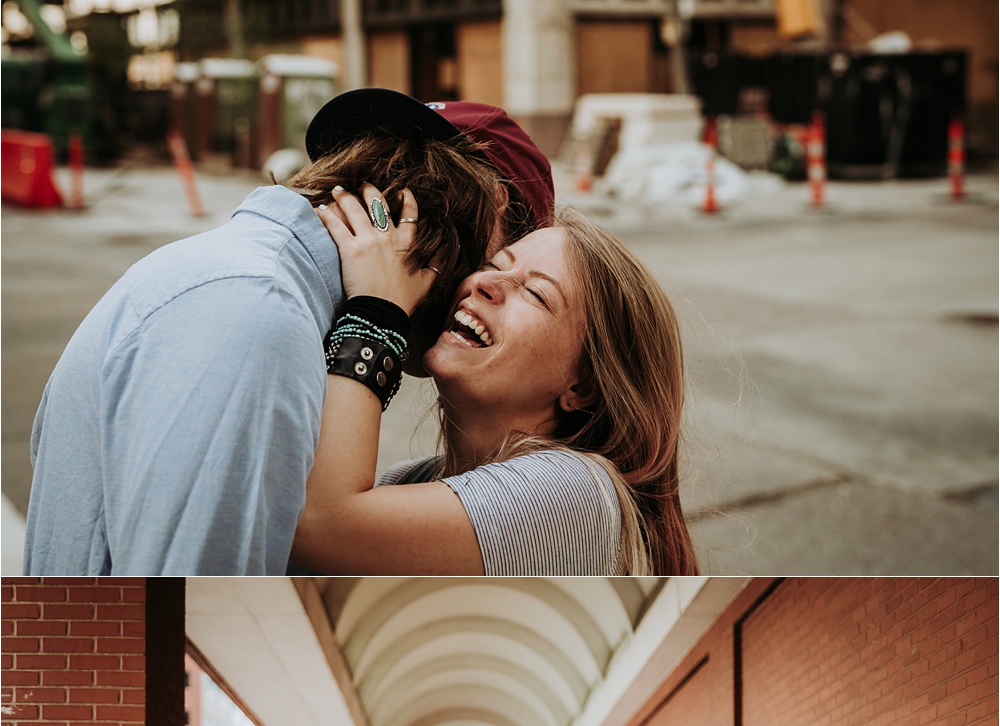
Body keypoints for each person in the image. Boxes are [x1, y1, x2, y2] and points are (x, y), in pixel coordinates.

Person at [23, 88, 553, 576]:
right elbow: (190, 599)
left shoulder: (253, 288)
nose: (486, 291)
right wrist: (378, 325)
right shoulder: (255, 313)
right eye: (502, 261)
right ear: (493, 214)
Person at [292, 192, 700, 576]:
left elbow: (316, 523)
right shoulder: (407, 481)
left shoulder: (579, 492)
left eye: (537, 294)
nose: (485, 284)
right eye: (495, 265)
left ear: (583, 388)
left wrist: (377, 311)